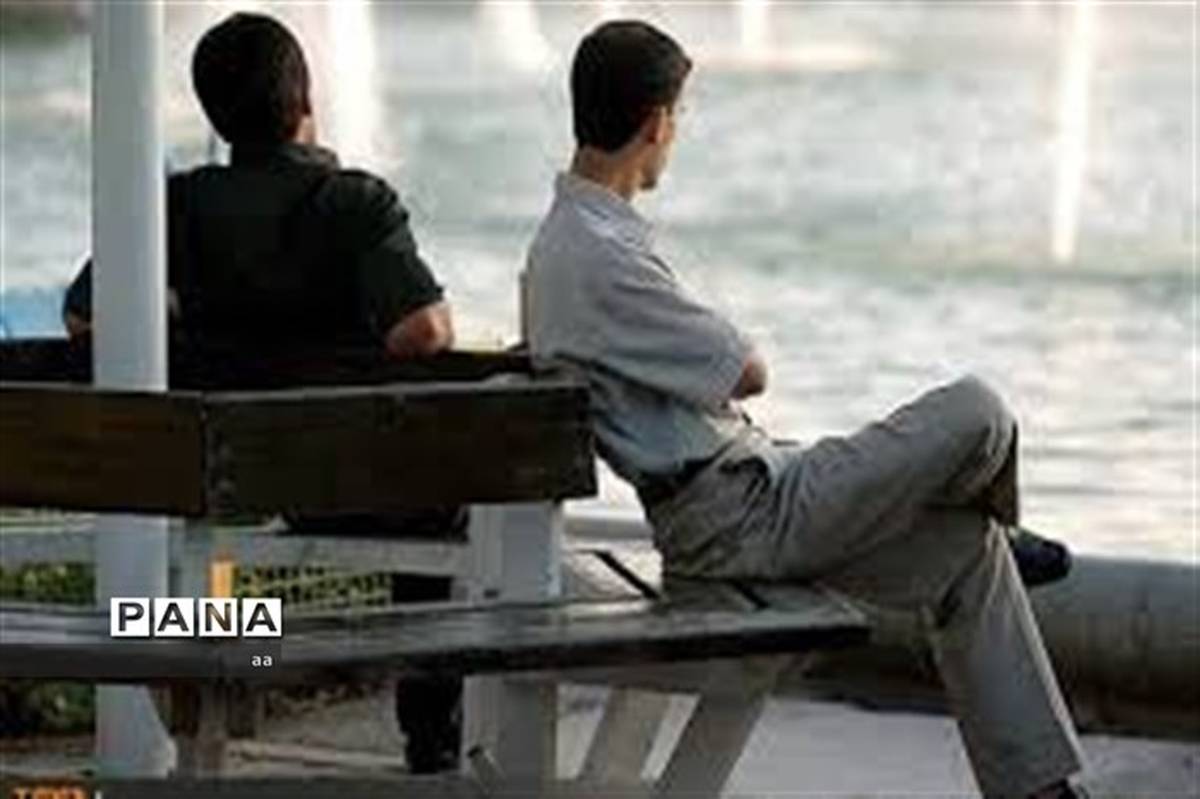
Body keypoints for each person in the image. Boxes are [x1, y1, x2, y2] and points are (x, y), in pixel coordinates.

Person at [525, 20, 1086, 799]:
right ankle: (993, 508)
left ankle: (1040, 791)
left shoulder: (577, 238)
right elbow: (747, 369)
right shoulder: (598, 255)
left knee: (968, 551)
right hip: (742, 517)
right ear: (656, 123)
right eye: (680, 115)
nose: (677, 133)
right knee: (979, 410)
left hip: (740, 499)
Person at [62, 12, 460, 774]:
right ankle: (431, 737)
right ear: (305, 99)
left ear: (215, 117)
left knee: (201, 566)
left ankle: (223, 679)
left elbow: (84, 317)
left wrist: (180, 325)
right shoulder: (356, 202)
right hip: (343, 486)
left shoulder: (175, 206)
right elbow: (425, 330)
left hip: (207, 484)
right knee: (447, 516)